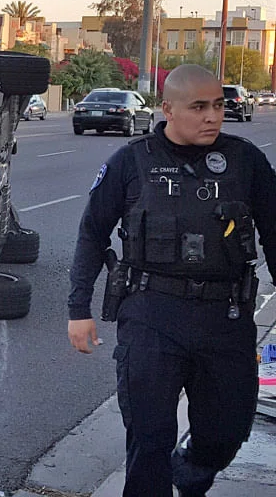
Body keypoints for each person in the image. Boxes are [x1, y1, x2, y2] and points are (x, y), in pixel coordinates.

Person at [67, 65, 276, 497]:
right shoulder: (132, 161)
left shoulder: (245, 161)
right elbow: (92, 233)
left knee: (226, 432)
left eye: (217, 105)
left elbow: (274, 231)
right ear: (168, 109)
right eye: (198, 107)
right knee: (149, 439)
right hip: (152, 316)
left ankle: (192, 469)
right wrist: (78, 309)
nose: (212, 116)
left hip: (225, 317)